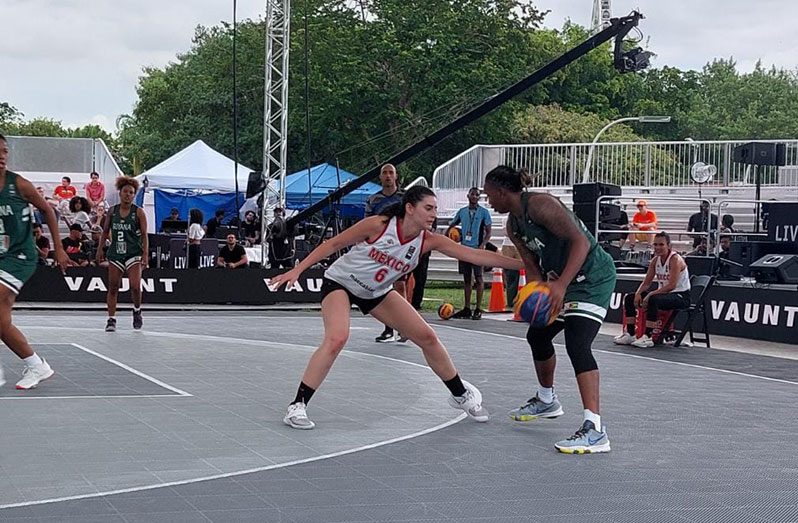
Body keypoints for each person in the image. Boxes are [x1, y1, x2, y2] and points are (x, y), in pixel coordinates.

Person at [269, 185, 524, 430]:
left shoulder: (428, 241)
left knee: (427, 337)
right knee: (337, 338)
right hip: (341, 283)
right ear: (410, 208)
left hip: (376, 292)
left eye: (435, 209)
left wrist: (525, 265)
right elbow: (333, 244)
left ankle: (460, 395)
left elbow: (475, 255)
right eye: (428, 208)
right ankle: (298, 405)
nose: (433, 214)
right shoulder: (379, 225)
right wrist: (297, 270)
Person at [483, 165, 617, 454]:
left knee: (577, 343)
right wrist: (536, 293)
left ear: (502, 191)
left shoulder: (541, 205)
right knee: (538, 336)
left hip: (591, 278)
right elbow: (532, 268)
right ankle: (547, 400)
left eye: (489, 194)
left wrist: (561, 285)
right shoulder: (514, 225)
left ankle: (595, 430)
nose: (488, 200)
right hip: (561, 281)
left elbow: (581, 242)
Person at [0, 133, 69, 390]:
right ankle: (37, 366)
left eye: (4, 151)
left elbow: (49, 210)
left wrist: (58, 248)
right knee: (1, 322)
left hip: (21, 256)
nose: (1, 156)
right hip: (2, 257)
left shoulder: (18, 184)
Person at [615, 232, 691, 349]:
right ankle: (630, 334)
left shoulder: (675, 260)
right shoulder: (655, 260)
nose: (657, 247)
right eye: (655, 245)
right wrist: (638, 293)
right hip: (664, 294)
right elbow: (646, 283)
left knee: (653, 299)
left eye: (661, 244)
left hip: (680, 296)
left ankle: (648, 337)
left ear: (669, 245)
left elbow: (672, 286)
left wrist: (650, 294)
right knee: (630, 298)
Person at [96, 177, 148, 332]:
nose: (128, 194)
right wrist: (100, 249)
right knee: (113, 286)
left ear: (134, 195)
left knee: (135, 286)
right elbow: (105, 231)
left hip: (133, 253)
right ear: (120, 192)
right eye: (125, 191)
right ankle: (111, 319)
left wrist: (145, 254)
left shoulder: (138, 212)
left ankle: (137, 310)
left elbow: (144, 235)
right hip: (116, 252)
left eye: (131, 192)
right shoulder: (112, 211)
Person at [365, 164, 408, 342]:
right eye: (385, 173)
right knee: (382, 287)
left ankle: (404, 326)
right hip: (380, 249)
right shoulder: (373, 200)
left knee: (400, 286)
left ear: (396, 176)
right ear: (380, 177)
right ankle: (388, 328)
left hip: (400, 247)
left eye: (391, 173)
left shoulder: (404, 198)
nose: (388, 176)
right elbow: (367, 224)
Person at [447, 187, 492, 320]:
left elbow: (488, 232)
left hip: (477, 250)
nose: (474, 197)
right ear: (468, 196)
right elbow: (452, 225)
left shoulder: (484, 212)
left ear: (479, 197)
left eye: (477, 195)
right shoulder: (462, 212)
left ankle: (478, 308)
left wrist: (483, 244)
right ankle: (467, 308)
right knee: (467, 279)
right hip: (464, 249)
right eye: (472, 194)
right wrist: (449, 236)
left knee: (479, 278)